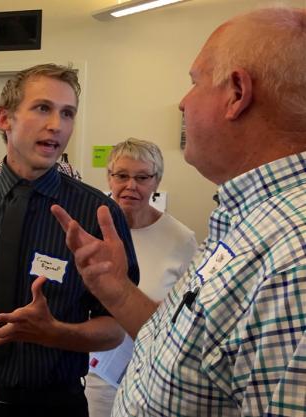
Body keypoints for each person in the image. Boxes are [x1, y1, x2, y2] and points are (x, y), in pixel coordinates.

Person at [52, 7, 306, 416]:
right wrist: (115, 288)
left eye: (194, 82)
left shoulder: (294, 257)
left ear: (237, 93)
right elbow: (191, 346)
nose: (183, 103)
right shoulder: (249, 220)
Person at [0, 63, 140, 417]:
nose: (57, 125)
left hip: (53, 404)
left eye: (67, 113)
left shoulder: (97, 215)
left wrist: (54, 333)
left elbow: (115, 329)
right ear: (3, 119)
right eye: (43, 108)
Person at [84, 138, 197, 417]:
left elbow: (187, 313)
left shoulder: (181, 239)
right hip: (86, 370)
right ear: (109, 178)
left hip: (146, 372)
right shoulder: (87, 228)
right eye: (121, 175)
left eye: (142, 177)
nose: (130, 186)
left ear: (156, 181)